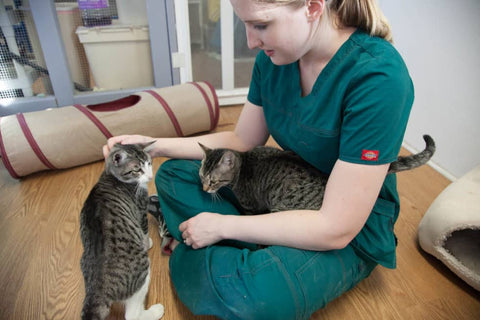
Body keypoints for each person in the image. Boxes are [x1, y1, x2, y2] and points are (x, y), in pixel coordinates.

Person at [103, 0, 414, 319]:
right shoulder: (274, 58)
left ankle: (203, 245)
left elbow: (336, 227)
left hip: (345, 224)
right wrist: (153, 146)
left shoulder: (379, 76)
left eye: (261, 25)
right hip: (282, 187)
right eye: (245, 25)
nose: (251, 42)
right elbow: (241, 141)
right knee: (174, 176)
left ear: (312, 6)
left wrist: (223, 225)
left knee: (255, 295)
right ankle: (247, 243)